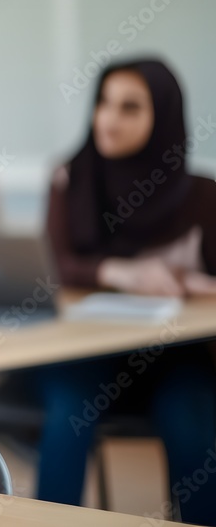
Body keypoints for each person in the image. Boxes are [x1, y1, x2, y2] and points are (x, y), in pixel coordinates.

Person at [40, 59, 216, 524]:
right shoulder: (70, 179)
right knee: (66, 416)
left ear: (164, 117)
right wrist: (121, 272)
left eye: (129, 107)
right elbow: (60, 267)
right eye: (103, 103)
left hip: (172, 357)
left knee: (193, 420)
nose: (109, 119)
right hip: (83, 353)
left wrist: (192, 285)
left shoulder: (202, 196)